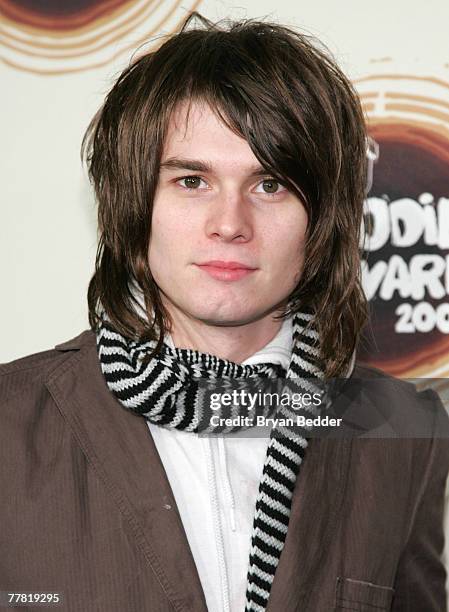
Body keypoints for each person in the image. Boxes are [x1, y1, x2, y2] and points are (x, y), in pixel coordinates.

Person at [1, 12, 448, 612]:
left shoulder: (400, 431)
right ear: (135, 203)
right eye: (192, 181)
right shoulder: (11, 422)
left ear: (324, 220)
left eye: (271, 186)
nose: (230, 224)